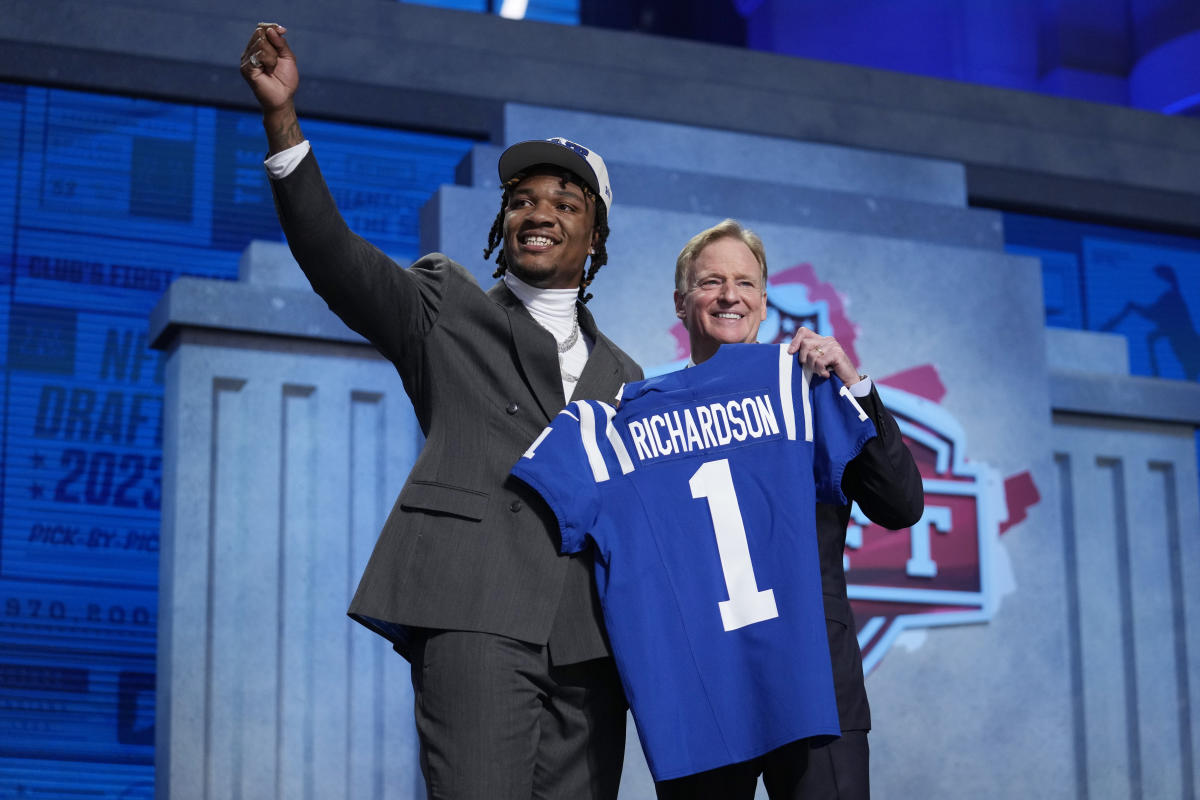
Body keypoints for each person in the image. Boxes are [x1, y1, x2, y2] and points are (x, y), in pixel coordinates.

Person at [239, 24, 642, 800]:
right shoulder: (444, 305)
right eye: (522, 200)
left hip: (588, 646)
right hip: (473, 610)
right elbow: (337, 259)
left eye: (564, 201)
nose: (538, 212)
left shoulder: (626, 374)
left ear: (595, 234)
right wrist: (283, 124)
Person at [663, 219, 924, 799]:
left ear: (762, 302)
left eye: (746, 283)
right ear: (681, 303)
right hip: (705, 678)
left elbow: (901, 504)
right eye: (711, 282)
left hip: (817, 679)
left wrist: (853, 387)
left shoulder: (812, 388)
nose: (730, 295)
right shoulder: (650, 418)